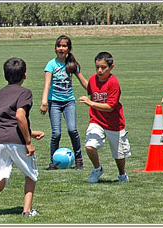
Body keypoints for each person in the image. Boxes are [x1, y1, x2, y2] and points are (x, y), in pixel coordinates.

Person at [0, 57, 45, 218]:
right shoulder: (25, 92)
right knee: (31, 175)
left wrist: (31, 132)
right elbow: (19, 116)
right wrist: (28, 141)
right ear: (24, 75)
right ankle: (27, 211)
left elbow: (5, 121)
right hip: (16, 141)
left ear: (5, 75)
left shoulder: (0, 93)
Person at [79, 52, 131, 183]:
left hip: (114, 123)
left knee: (119, 155)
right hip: (96, 120)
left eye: (103, 67)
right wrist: (78, 74)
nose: (100, 70)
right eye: (97, 67)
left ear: (111, 67)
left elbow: (110, 106)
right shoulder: (92, 79)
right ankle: (97, 169)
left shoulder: (113, 83)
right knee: (89, 146)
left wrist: (90, 103)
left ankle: (122, 174)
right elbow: (91, 91)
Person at [40, 35, 88, 170]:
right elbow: (47, 84)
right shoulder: (51, 64)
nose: (61, 48)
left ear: (68, 49)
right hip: (54, 103)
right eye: (59, 46)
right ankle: (53, 162)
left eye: (64, 46)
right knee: (56, 133)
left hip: (69, 102)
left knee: (72, 130)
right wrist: (44, 102)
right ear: (55, 48)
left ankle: (79, 160)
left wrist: (95, 91)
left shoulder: (72, 64)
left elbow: (84, 82)